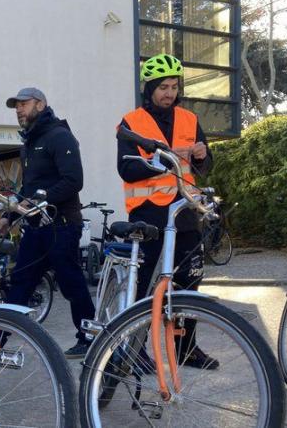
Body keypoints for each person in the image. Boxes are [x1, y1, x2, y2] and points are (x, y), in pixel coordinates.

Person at [117, 53, 217, 369]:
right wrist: (163, 159)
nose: (169, 93)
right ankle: (134, 350)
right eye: (162, 87)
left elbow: (205, 167)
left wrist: (201, 156)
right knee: (145, 284)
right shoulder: (132, 122)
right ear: (150, 89)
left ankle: (185, 349)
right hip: (148, 215)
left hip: (186, 212)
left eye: (174, 86)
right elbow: (126, 169)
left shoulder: (189, 119)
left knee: (189, 283)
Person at [0, 87, 96, 359]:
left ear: (40, 104)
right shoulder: (28, 144)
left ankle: (89, 338)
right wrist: (9, 216)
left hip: (62, 225)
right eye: (15, 106)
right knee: (20, 282)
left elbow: (74, 181)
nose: (19, 109)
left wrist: (40, 202)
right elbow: (28, 190)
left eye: (23, 104)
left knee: (71, 283)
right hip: (36, 228)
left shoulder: (59, 136)